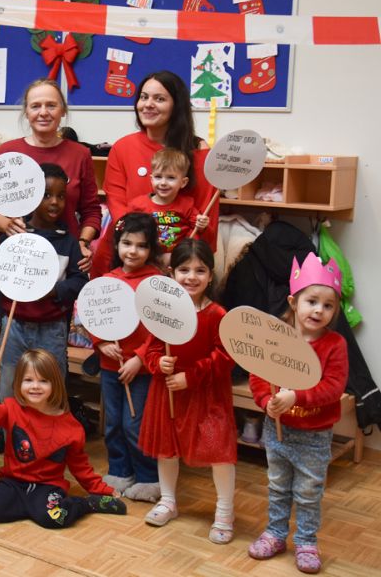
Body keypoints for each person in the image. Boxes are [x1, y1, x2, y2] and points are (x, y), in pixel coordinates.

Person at [0, 349, 126, 529]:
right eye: (28, 380)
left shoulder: (71, 427)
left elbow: (81, 467)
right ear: (18, 383)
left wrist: (102, 490)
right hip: (13, 482)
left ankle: (88, 504)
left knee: (55, 518)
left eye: (43, 381)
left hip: (48, 486)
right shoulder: (11, 408)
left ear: (55, 384)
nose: (35, 386)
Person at [248, 252, 348, 574]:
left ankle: (306, 541)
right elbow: (258, 373)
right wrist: (266, 401)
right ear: (294, 301)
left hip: (315, 434)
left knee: (307, 492)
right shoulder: (276, 336)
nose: (319, 310)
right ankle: (276, 533)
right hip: (277, 429)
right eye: (312, 301)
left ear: (335, 311)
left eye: (328, 305)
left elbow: (334, 387)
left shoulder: (335, 345)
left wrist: (297, 396)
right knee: (277, 486)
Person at [0, 164, 88, 454]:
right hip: (16, 325)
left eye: (60, 196)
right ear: (32, 197)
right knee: (9, 382)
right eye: (45, 195)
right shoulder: (15, 236)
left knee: (51, 383)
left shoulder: (68, 241)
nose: (54, 202)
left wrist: (54, 289)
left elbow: (80, 280)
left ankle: (48, 441)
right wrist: (15, 288)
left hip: (52, 328)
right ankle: (9, 439)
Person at [140, 239, 237, 544]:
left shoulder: (219, 314)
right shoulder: (162, 311)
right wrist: (159, 362)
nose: (191, 277)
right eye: (184, 269)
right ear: (172, 273)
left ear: (211, 275)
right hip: (169, 391)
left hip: (207, 395)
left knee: (219, 451)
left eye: (200, 270)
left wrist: (190, 376)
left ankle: (224, 511)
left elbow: (225, 357)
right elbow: (150, 348)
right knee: (167, 448)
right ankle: (168, 500)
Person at [95, 70, 219, 277]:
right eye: (144, 97)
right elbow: (117, 206)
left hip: (177, 260)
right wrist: (142, 251)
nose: (148, 104)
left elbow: (205, 214)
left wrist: (180, 255)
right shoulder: (123, 147)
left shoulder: (199, 151)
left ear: (176, 106)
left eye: (159, 99)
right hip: (128, 252)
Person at [0, 79, 102, 272]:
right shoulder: (8, 152)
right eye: (36, 106)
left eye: (51, 105)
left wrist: (83, 242)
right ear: (26, 112)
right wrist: (4, 223)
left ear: (63, 111)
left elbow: (91, 211)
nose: (43, 112)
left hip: (63, 257)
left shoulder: (80, 154)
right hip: (17, 257)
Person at [93, 212, 163, 502]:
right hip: (111, 366)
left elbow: (162, 328)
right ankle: (120, 471)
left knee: (135, 424)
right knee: (113, 423)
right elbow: (93, 316)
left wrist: (140, 358)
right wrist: (100, 343)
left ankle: (148, 477)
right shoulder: (108, 280)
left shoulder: (157, 281)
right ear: (117, 245)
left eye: (141, 245)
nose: (133, 251)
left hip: (141, 369)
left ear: (151, 249)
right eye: (127, 243)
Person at [127, 148, 209, 266]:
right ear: (151, 179)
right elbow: (128, 233)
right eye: (158, 177)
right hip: (145, 260)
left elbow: (196, 230)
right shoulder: (137, 205)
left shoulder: (187, 205)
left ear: (183, 182)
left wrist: (202, 225)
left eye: (171, 178)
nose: (163, 183)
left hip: (177, 261)